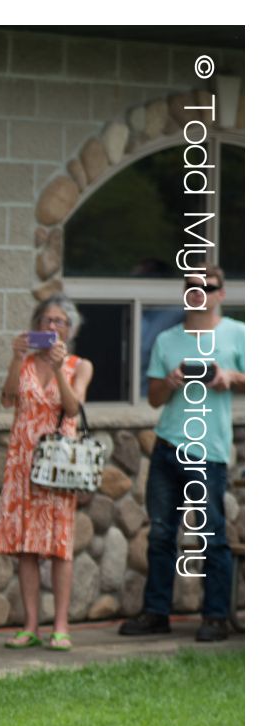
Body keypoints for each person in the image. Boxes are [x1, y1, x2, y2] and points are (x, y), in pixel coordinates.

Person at [120, 269, 245, 642]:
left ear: (221, 294)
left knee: (212, 535)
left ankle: (216, 617)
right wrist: (172, 382)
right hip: (167, 448)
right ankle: (156, 612)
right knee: (160, 534)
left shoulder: (238, 333)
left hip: (209, 453)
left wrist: (230, 377)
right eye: (193, 288)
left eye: (207, 288)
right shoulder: (167, 339)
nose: (200, 293)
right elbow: (154, 398)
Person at [0, 297, 94, 650]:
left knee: (58, 548)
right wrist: (15, 357)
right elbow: (7, 399)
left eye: (61, 322)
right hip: (23, 463)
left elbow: (72, 408)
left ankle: (61, 626)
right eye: (47, 320)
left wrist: (56, 370)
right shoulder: (24, 363)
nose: (53, 327)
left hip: (58, 465)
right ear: (36, 325)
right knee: (26, 548)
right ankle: (30, 626)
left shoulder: (79, 365)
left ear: (70, 330)